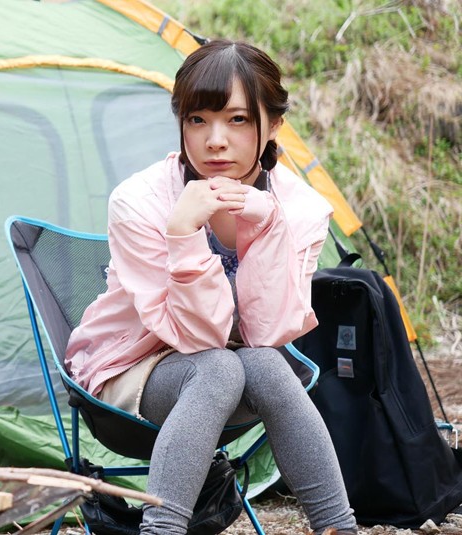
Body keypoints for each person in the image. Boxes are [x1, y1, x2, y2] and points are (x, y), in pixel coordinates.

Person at [65, 39, 357, 535]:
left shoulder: (302, 209)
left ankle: (338, 528)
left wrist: (267, 226)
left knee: (263, 363)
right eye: (197, 119)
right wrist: (182, 233)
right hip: (130, 370)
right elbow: (198, 338)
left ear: (273, 126)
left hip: (235, 370)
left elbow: (266, 334)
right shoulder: (139, 201)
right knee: (219, 366)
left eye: (237, 120)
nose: (215, 140)